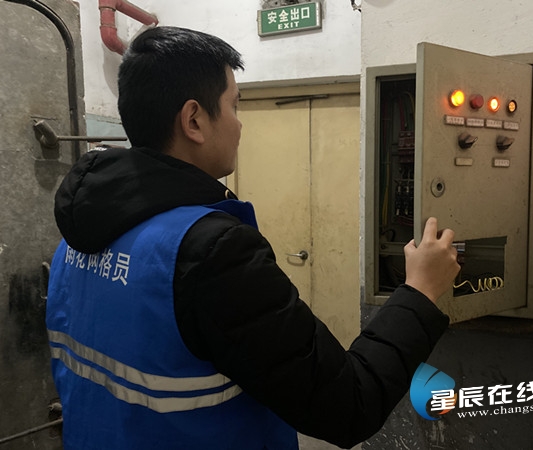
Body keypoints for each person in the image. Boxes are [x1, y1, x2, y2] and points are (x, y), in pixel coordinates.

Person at [46, 26, 460, 450]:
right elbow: (350, 405)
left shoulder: (79, 237)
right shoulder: (211, 252)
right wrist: (420, 291)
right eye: (234, 105)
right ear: (194, 120)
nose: (239, 125)